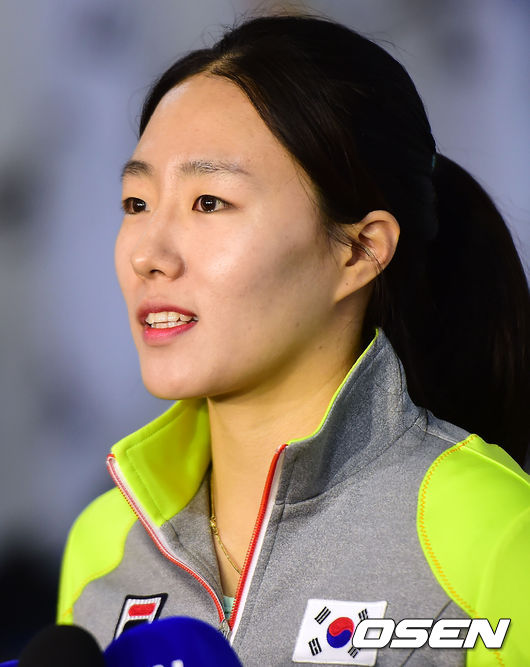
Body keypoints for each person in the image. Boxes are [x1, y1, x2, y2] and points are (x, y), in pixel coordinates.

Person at [56, 14, 529, 666]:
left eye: (209, 202)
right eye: (136, 203)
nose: (147, 256)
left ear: (359, 251)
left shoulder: (496, 531)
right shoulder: (103, 543)